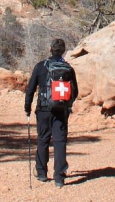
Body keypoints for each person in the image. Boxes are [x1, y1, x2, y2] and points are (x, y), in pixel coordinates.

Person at [25, 38, 78, 188]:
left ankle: (41, 173)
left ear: (50, 49)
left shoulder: (40, 66)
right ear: (63, 51)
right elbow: (75, 91)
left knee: (43, 139)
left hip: (43, 109)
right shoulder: (68, 68)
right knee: (60, 142)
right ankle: (59, 177)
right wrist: (67, 105)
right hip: (61, 110)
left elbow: (30, 89)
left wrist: (27, 107)